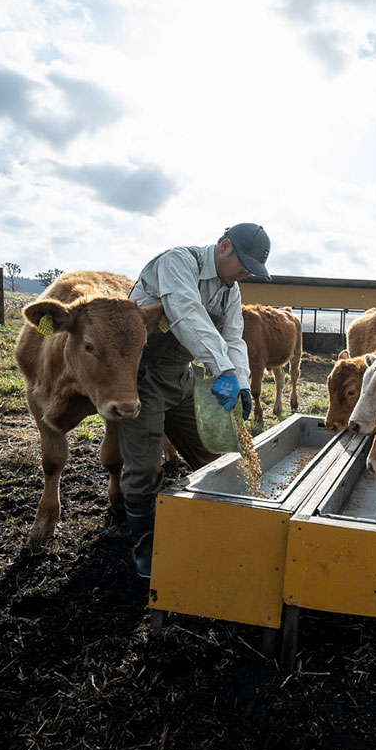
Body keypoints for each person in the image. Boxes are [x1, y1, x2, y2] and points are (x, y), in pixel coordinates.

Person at [118, 223, 272, 578]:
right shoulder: (178, 262)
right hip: (144, 375)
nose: (245, 273)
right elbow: (188, 316)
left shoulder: (230, 290)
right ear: (225, 247)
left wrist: (243, 382)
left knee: (213, 453)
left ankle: (213, 521)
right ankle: (144, 541)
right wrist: (223, 370)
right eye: (243, 263)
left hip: (182, 376)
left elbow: (234, 337)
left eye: (252, 269)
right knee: (145, 468)